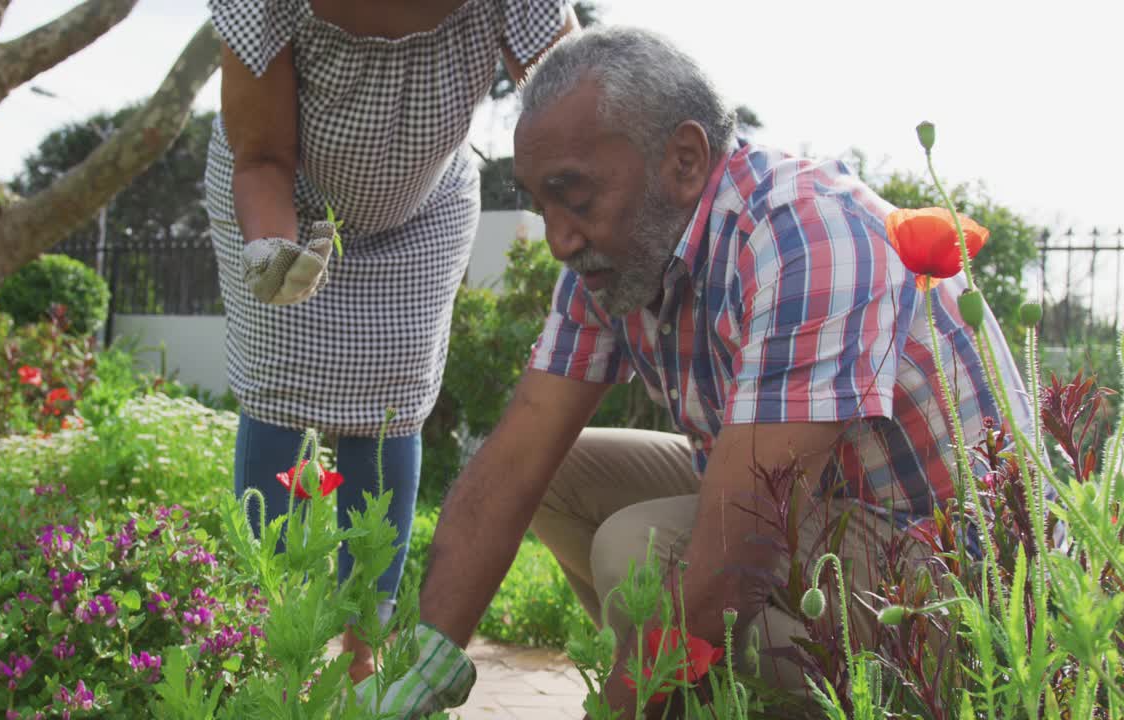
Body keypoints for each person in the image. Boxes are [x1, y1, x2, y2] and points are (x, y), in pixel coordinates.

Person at [370, 26, 1034, 719]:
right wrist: (412, 682)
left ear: (684, 159)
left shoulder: (804, 233)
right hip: (825, 517)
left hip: (965, 587)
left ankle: (833, 702)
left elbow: (732, 555)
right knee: (561, 478)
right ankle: (699, 688)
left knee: (642, 556)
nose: (559, 238)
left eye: (577, 197)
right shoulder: (614, 257)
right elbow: (512, 463)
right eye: (545, 205)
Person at [203, 0, 580, 683]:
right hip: (279, 202)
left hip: (421, 211)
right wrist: (271, 249)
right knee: (279, 387)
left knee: (390, 402)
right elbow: (260, 155)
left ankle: (363, 646)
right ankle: (261, 630)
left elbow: (578, 102)